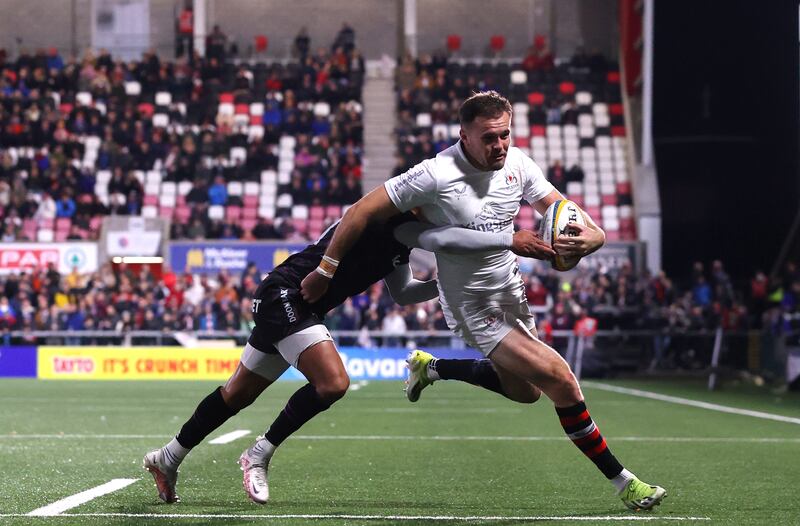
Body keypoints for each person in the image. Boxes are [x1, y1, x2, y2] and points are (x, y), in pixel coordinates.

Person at [300, 91, 667, 511]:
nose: (499, 145)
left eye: (505, 135)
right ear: (465, 136)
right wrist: (325, 270)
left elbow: (561, 207)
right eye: (489, 138)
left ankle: (432, 368)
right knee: (562, 380)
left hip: (510, 291)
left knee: (527, 392)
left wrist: (596, 236)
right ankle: (625, 483)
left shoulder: (519, 164)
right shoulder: (435, 174)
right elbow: (360, 211)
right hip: (473, 307)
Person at [144, 212, 546, 504]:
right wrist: (503, 241)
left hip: (302, 307)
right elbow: (440, 239)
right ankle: (258, 454)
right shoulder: (390, 219)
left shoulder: (402, 240)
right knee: (333, 383)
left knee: (236, 394)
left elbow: (404, 292)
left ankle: (167, 458)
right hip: (286, 295)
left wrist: (444, 285)